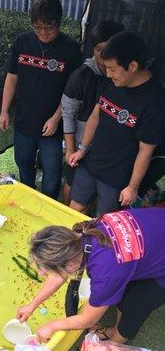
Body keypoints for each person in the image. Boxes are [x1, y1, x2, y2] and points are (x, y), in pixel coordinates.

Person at [17, 208, 165, 344]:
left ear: (69, 264)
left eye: (47, 270)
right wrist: (32, 305)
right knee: (125, 292)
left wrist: (52, 326)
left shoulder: (106, 271)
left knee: (136, 305)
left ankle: (114, 345)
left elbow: (88, 319)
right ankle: (114, 330)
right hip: (157, 229)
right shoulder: (83, 232)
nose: (42, 274)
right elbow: (58, 274)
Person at [69, 31, 165, 215]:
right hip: (91, 163)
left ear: (133, 66)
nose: (108, 74)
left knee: (106, 225)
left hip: (116, 178)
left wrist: (132, 187)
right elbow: (95, 117)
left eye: (112, 69)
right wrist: (82, 148)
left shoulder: (155, 100)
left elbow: (146, 150)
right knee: (75, 209)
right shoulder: (111, 83)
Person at [0, 0, 82, 200]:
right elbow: (12, 77)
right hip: (24, 122)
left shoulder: (70, 49)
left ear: (59, 23)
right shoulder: (22, 42)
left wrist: (56, 118)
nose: (43, 32)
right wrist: (4, 111)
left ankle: (47, 207)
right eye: (38, 27)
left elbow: (72, 92)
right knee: (24, 166)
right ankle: (27, 200)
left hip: (51, 128)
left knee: (52, 175)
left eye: (49, 27)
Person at [61, 20, 124, 204]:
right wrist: (71, 148)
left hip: (108, 153)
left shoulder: (125, 79)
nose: (103, 55)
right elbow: (68, 113)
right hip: (81, 145)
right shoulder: (82, 76)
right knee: (73, 186)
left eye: (108, 50)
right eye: (98, 49)